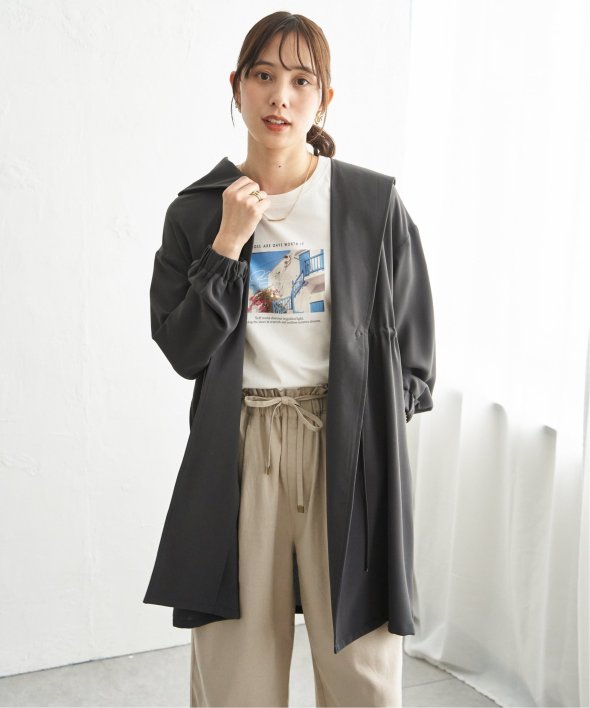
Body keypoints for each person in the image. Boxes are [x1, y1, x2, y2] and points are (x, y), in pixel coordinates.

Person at [144, 10, 436, 708]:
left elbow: (414, 343)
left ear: (323, 98)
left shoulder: (369, 201)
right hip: (241, 449)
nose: (280, 96)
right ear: (237, 86)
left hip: (346, 444)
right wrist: (227, 245)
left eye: (301, 81)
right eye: (264, 75)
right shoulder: (197, 211)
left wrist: (374, 425)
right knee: (236, 672)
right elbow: (183, 349)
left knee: (363, 668)